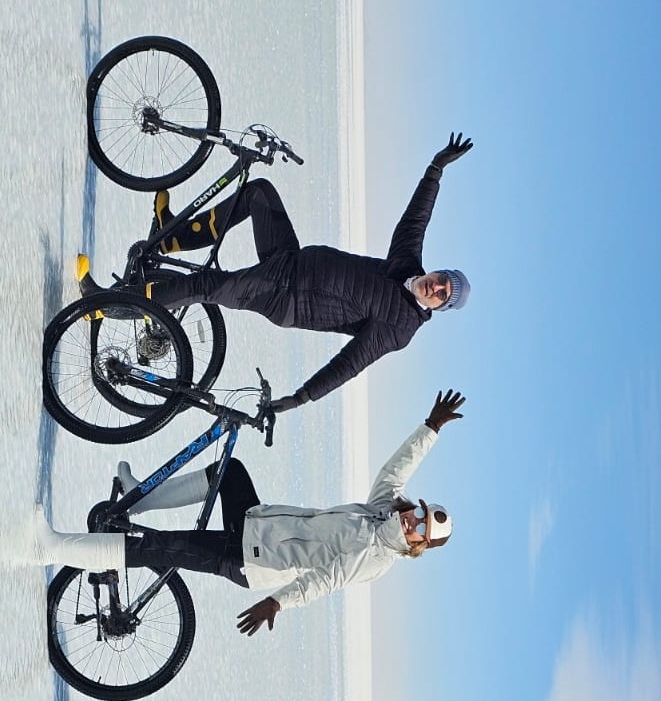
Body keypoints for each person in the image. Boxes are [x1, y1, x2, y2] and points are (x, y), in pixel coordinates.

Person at [79, 132, 473, 413]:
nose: (437, 287)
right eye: (443, 279)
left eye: (443, 294)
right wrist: (435, 169)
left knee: (205, 285)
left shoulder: (400, 327)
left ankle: (107, 305)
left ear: (439, 307)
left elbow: (350, 364)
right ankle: (170, 239)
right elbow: (415, 221)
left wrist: (301, 397)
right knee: (260, 194)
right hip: (290, 259)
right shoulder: (407, 266)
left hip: (285, 297)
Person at [33, 389, 465, 636]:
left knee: (156, 548)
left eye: (420, 528)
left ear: (420, 544)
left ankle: (53, 549)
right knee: (231, 470)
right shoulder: (381, 512)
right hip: (253, 523)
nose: (414, 520)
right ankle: (138, 498)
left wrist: (277, 602)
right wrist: (431, 427)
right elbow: (395, 471)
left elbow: (325, 581)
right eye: (420, 513)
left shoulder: (376, 557)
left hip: (247, 560)